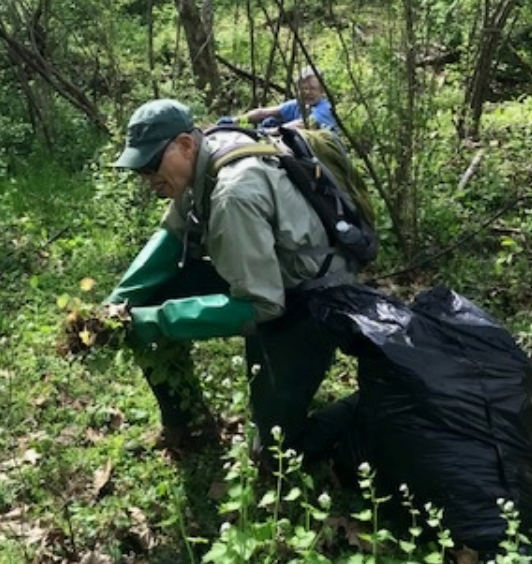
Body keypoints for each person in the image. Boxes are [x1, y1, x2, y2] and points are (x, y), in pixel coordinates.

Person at [105, 98, 355, 460]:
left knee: (276, 454)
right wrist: (116, 305)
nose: (147, 178)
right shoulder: (204, 160)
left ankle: (363, 404)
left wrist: (155, 322)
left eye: (150, 164)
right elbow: (173, 236)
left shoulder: (232, 195)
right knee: (142, 301)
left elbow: (262, 305)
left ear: (185, 145)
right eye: (138, 170)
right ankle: (189, 425)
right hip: (267, 279)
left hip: (308, 301)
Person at [219, 66, 338, 132]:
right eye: (304, 88)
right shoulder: (297, 105)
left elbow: (303, 124)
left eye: (312, 88)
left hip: (321, 158)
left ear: (322, 90)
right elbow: (263, 113)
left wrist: (268, 133)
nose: (308, 92)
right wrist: (236, 121)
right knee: (269, 120)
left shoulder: (325, 109)